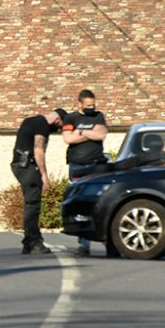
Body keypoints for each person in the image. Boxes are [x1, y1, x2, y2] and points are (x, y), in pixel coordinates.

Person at [11, 107, 67, 254]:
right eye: (60, 127)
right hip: (28, 166)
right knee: (33, 205)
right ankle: (34, 242)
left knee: (30, 203)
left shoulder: (30, 120)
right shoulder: (42, 125)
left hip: (19, 165)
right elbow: (38, 149)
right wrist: (44, 175)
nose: (58, 130)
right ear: (57, 120)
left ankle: (28, 242)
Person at [62, 89, 109, 257]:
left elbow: (101, 135)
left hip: (96, 163)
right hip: (77, 165)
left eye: (93, 104)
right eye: (88, 105)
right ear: (79, 103)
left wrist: (80, 132)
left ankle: (107, 241)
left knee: (100, 200)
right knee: (80, 202)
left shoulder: (98, 116)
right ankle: (83, 244)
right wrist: (91, 133)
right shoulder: (70, 118)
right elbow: (68, 139)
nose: (91, 107)